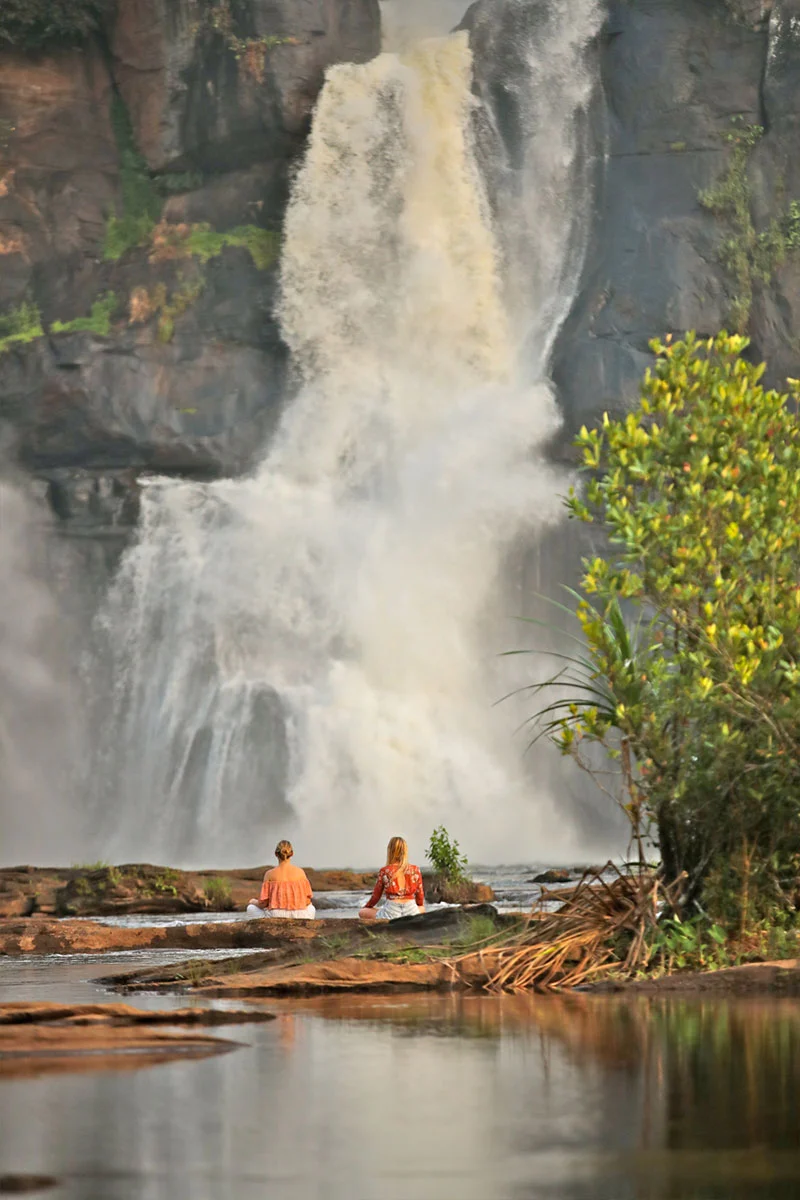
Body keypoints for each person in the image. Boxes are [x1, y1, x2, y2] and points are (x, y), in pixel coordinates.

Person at [359, 835, 425, 921]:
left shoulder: (385, 871)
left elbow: (375, 897)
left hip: (391, 912)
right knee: (422, 909)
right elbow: (420, 897)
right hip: (411, 910)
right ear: (405, 851)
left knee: (362, 912)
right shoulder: (415, 870)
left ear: (390, 851)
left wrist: (367, 907)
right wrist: (418, 906)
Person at [246, 840, 315, 919]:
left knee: (250, 908)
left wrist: (253, 901)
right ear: (292, 854)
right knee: (311, 908)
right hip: (300, 915)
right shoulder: (300, 872)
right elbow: (307, 901)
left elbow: (263, 904)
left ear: (276, 854)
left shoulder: (269, 874)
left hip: (276, 915)